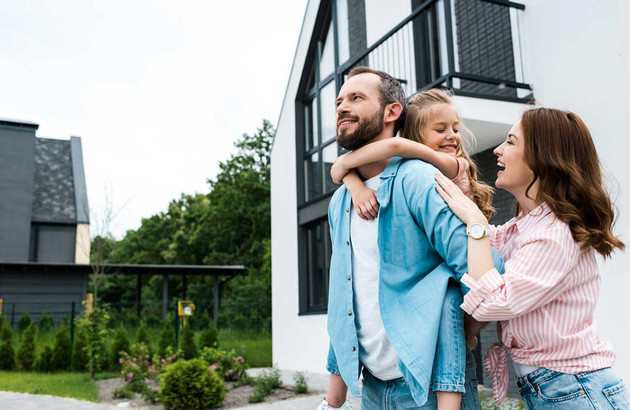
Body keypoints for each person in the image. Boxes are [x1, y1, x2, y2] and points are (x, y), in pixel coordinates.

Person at [320, 66, 503, 410]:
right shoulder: (341, 200)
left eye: (356, 98)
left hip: (433, 388)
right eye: (339, 101)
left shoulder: (420, 179)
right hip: (372, 388)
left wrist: (465, 332)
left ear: (392, 111)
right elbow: (345, 295)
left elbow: (488, 272)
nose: (342, 107)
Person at [435, 107, 629, 409]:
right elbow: (488, 244)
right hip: (562, 387)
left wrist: (474, 223)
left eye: (511, 142)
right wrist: (464, 199)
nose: (498, 150)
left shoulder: (555, 233)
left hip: (575, 389)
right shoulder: (526, 226)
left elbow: (491, 302)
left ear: (544, 157)